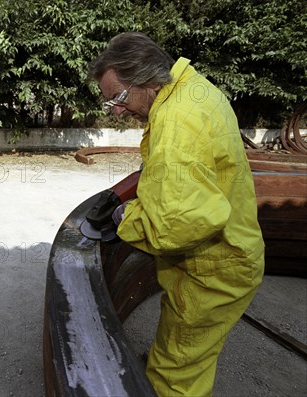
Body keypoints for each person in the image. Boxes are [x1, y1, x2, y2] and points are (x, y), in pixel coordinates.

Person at [89, 32, 265, 396]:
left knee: (176, 377)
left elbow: (174, 227)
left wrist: (127, 218)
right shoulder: (193, 88)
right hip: (229, 254)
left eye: (118, 98)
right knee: (188, 355)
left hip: (212, 273)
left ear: (148, 80)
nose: (118, 111)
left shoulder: (175, 125)